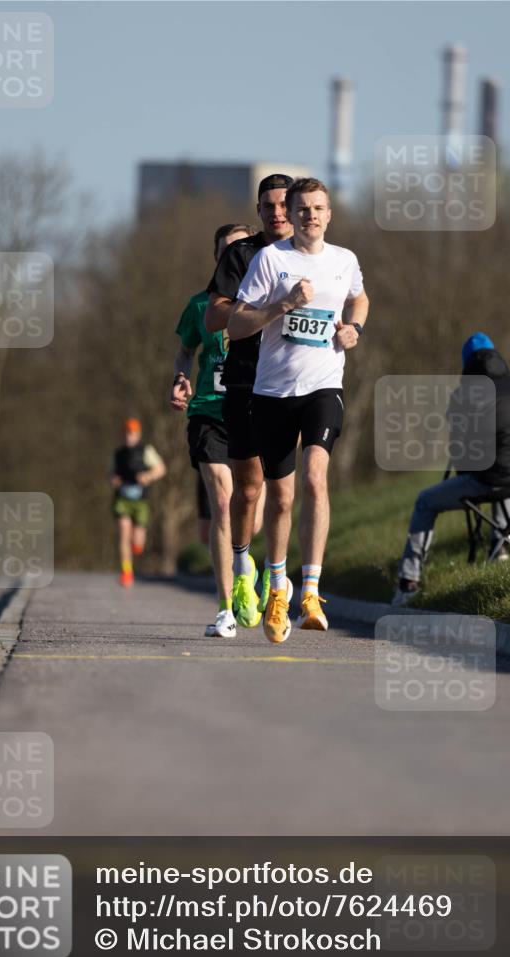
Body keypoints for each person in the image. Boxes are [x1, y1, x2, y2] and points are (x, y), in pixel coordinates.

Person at [229, 177, 369, 643]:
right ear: (291, 213)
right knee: (282, 497)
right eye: (303, 208)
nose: (311, 215)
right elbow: (236, 324)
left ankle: (310, 590)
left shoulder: (344, 261)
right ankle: (276, 589)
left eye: (319, 208)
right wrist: (284, 304)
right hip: (272, 393)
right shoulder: (273, 260)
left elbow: (359, 297)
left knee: (315, 476)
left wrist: (355, 329)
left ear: (330, 214)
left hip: (323, 386)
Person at [392, 333, 510, 605]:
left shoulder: (464, 395)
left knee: (425, 502)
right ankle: (500, 548)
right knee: (507, 475)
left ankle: (408, 583)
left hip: (495, 481)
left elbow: (462, 458)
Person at [204, 174, 294, 628]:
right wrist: (254, 305)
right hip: (244, 380)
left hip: (296, 382)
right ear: (258, 211)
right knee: (250, 487)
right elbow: (212, 314)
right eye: (268, 206)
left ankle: (282, 579)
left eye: (284, 204)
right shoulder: (242, 255)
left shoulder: (317, 256)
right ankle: (243, 566)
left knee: (287, 488)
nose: (277, 212)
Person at [171, 222, 256, 637]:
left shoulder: (267, 299)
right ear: (217, 258)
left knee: (249, 510)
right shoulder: (199, 305)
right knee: (222, 504)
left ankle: (246, 561)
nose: (236, 258)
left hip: (255, 411)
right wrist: (180, 378)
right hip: (208, 412)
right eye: (228, 252)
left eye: (243, 250)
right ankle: (225, 607)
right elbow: (185, 350)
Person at [110, 418, 166, 587]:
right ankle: (126, 572)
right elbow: (111, 473)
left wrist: (147, 477)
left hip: (141, 500)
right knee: (124, 532)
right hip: (123, 499)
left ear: (138, 434)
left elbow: (161, 469)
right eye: (127, 433)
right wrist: (114, 479)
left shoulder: (146, 451)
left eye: (133, 433)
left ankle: (137, 546)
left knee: (137, 539)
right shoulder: (118, 454)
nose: (129, 437)